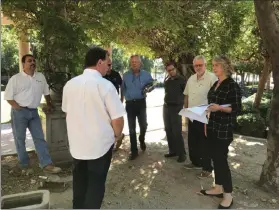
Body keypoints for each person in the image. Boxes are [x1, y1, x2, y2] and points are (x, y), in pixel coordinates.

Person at [62, 46, 125, 209]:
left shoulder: (69, 85)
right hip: (100, 147)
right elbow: (117, 119)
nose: (108, 66)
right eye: (107, 63)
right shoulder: (105, 86)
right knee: (95, 186)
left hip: (77, 146)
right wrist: (117, 136)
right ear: (99, 62)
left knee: (79, 184)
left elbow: (67, 114)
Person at [4, 54, 62, 174]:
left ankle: (46, 164)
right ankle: (24, 164)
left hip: (34, 112)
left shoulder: (40, 77)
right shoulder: (16, 78)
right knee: (20, 139)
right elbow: (8, 97)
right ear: (23, 64)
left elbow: (46, 92)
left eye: (34, 61)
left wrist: (49, 104)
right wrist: (17, 107)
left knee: (40, 138)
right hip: (19, 113)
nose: (32, 63)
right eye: (29, 61)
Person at [199, 55, 241, 209]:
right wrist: (206, 116)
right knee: (215, 159)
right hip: (211, 126)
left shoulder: (232, 85)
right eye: (213, 65)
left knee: (221, 161)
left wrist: (220, 108)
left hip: (223, 130)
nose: (214, 68)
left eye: (216, 65)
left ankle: (228, 195)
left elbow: (237, 108)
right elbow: (211, 104)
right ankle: (218, 188)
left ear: (224, 66)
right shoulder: (216, 84)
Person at [183, 55, 217, 178]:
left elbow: (216, 98)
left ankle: (207, 168)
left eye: (200, 65)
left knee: (205, 143)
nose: (198, 67)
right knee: (193, 141)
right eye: (196, 65)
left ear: (205, 65)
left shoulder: (212, 78)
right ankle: (195, 162)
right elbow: (186, 95)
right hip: (192, 115)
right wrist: (186, 111)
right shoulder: (191, 79)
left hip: (205, 116)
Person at [122, 55, 154, 160]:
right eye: (132, 62)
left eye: (136, 61)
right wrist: (121, 102)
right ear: (130, 63)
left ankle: (141, 138)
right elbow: (123, 90)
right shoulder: (125, 75)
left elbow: (152, 84)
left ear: (140, 63)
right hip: (130, 104)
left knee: (143, 125)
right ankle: (134, 151)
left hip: (141, 103)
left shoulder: (146, 74)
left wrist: (149, 88)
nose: (134, 63)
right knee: (131, 129)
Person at [163, 62, 186, 162]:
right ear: (167, 71)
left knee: (177, 131)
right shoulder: (167, 80)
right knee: (168, 130)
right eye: (169, 70)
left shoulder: (182, 80)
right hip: (166, 107)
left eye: (172, 69)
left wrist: (184, 107)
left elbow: (185, 95)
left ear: (175, 68)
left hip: (177, 108)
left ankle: (182, 154)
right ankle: (173, 151)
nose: (171, 71)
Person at [103, 60, 125, 150]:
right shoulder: (101, 75)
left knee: (116, 122)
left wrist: (121, 100)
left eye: (110, 65)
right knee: (107, 124)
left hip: (115, 102)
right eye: (107, 64)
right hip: (104, 103)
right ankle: (117, 138)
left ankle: (118, 136)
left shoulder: (116, 74)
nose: (109, 66)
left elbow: (122, 87)